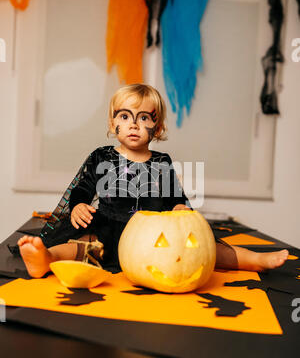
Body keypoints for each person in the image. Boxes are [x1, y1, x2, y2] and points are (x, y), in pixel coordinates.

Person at [18, 83, 289, 279]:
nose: (134, 124)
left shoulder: (161, 162)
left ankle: (254, 260)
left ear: (156, 128)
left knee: (206, 249)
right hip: (107, 229)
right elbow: (84, 187)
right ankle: (46, 259)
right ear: (114, 125)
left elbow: (175, 197)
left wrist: (180, 207)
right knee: (83, 247)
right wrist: (77, 205)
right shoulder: (102, 156)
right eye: (125, 116)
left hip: (153, 238)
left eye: (144, 118)